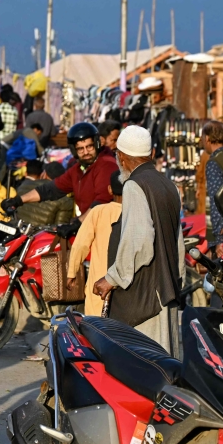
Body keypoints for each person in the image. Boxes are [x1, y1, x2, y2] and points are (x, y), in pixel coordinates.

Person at [91, 126, 184, 350]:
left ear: (121, 157)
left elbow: (139, 240)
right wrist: (175, 281)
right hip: (166, 290)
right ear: (151, 154)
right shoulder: (168, 184)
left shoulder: (134, 185)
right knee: (164, 363)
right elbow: (177, 242)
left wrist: (112, 278)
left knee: (145, 366)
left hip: (146, 296)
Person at [5, 123, 118, 221]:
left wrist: (79, 222)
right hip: (90, 224)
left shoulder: (106, 164)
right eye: (80, 149)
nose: (86, 152)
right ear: (74, 150)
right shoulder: (79, 169)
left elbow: (101, 202)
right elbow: (51, 189)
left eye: (89, 147)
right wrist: (19, 200)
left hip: (106, 227)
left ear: (97, 144)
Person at [67, 171, 123, 317]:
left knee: (96, 328)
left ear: (110, 189)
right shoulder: (135, 212)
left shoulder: (98, 212)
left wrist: (71, 272)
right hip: (124, 282)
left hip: (98, 284)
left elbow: (80, 245)